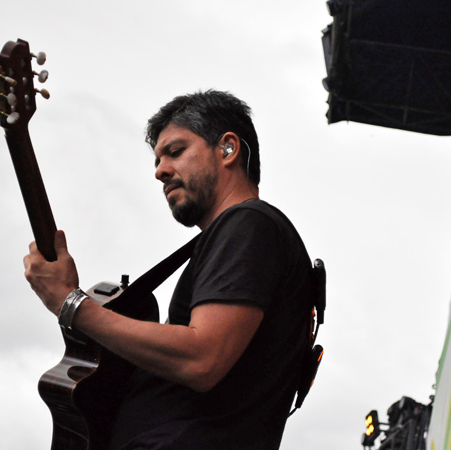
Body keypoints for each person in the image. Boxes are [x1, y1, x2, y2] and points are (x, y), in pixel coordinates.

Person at [23, 90, 314, 450]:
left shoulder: (247, 224)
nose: (160, 171)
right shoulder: (241, 233)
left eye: (175, 152)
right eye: (158, 159)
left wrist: (72, 305)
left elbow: (202, 358)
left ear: (227, 149)